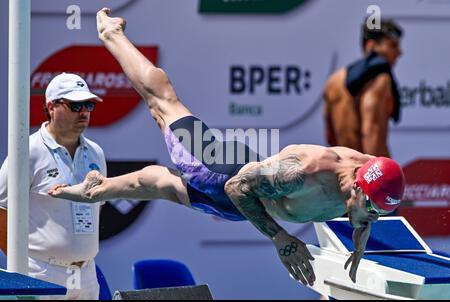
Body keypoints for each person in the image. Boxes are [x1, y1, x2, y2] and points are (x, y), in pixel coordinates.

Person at [49, 8, 406, 286]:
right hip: (219, 169)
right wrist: (281, 239)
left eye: (377, 213)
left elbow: (369, 201)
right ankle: (112, 35)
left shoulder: (371, 177)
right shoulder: (305, 170)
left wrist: (362, 233)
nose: (369, 216)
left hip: (244, 204)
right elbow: (236, 187)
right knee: (164, 102)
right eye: (369, 209)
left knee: (164, 188)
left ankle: (100, 188)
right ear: (357, 184)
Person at [0, 73, 106, 299]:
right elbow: (1, 210)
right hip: (41, 273)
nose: (84, 112)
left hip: (86, 273)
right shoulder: (27, 151)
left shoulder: (96, 152)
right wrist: (21, 264)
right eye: (76, 105)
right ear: (51, 106)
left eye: (88, 105)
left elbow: (99, 206)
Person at [323, 19, 403, 157]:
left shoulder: (333, 81)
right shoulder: (380, 79)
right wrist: (376, 174)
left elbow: (330, 136)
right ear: (371, 45)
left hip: (341, 170)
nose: (399, 52)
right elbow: (371, 132)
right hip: (369, 170)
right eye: (393, 45)